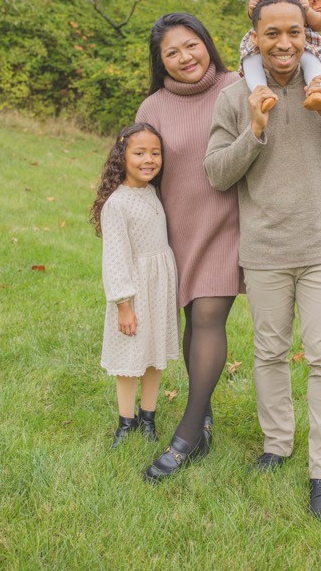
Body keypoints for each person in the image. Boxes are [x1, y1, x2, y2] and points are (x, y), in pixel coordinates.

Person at [135, 13, 321, 482]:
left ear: (209, 44)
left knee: (211, 316)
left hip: (233, 224)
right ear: (160, 63)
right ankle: (207, 418)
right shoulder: (152, 107)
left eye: (191, 45)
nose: (184, 57)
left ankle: (189, 432)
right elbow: (143, 165)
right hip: (182, 228)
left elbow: (290, 46)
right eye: (171, 53)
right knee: (195, 320)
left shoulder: (241, 83)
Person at [204, 0, 321, 519]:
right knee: (269, 353)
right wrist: (254, 129)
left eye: (294, 33)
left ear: (308, 36)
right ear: (254, 37)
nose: (283, 43)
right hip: (266, 251)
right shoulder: (236, 98)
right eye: (272, 33)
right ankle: (277, 446)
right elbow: (215, 173)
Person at [90, 123, 180, 449]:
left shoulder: (153, 191)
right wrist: (123, 305)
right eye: (139, 152)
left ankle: (148, 417)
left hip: (159, 288)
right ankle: (125, 422)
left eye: (155, 153)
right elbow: (115, 258)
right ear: (122, 156)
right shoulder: (117, 204)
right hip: (135, 290)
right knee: (130, 357)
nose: (149, 159)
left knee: (154, 354)